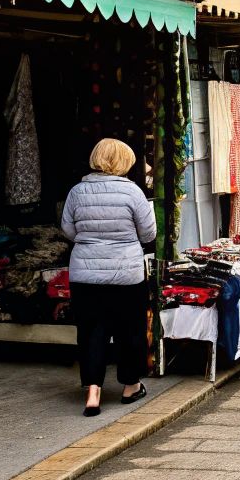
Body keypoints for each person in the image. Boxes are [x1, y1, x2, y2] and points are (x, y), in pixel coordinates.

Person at [60, 138, 157, 416]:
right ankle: (130, 386)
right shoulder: (133, 192)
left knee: (91, 331)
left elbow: (67, 230)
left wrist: (90, 240)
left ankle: (93, 392)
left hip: (85, 275)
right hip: (126, 274)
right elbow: (149, 234)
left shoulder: (77, 192)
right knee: (130, 330)